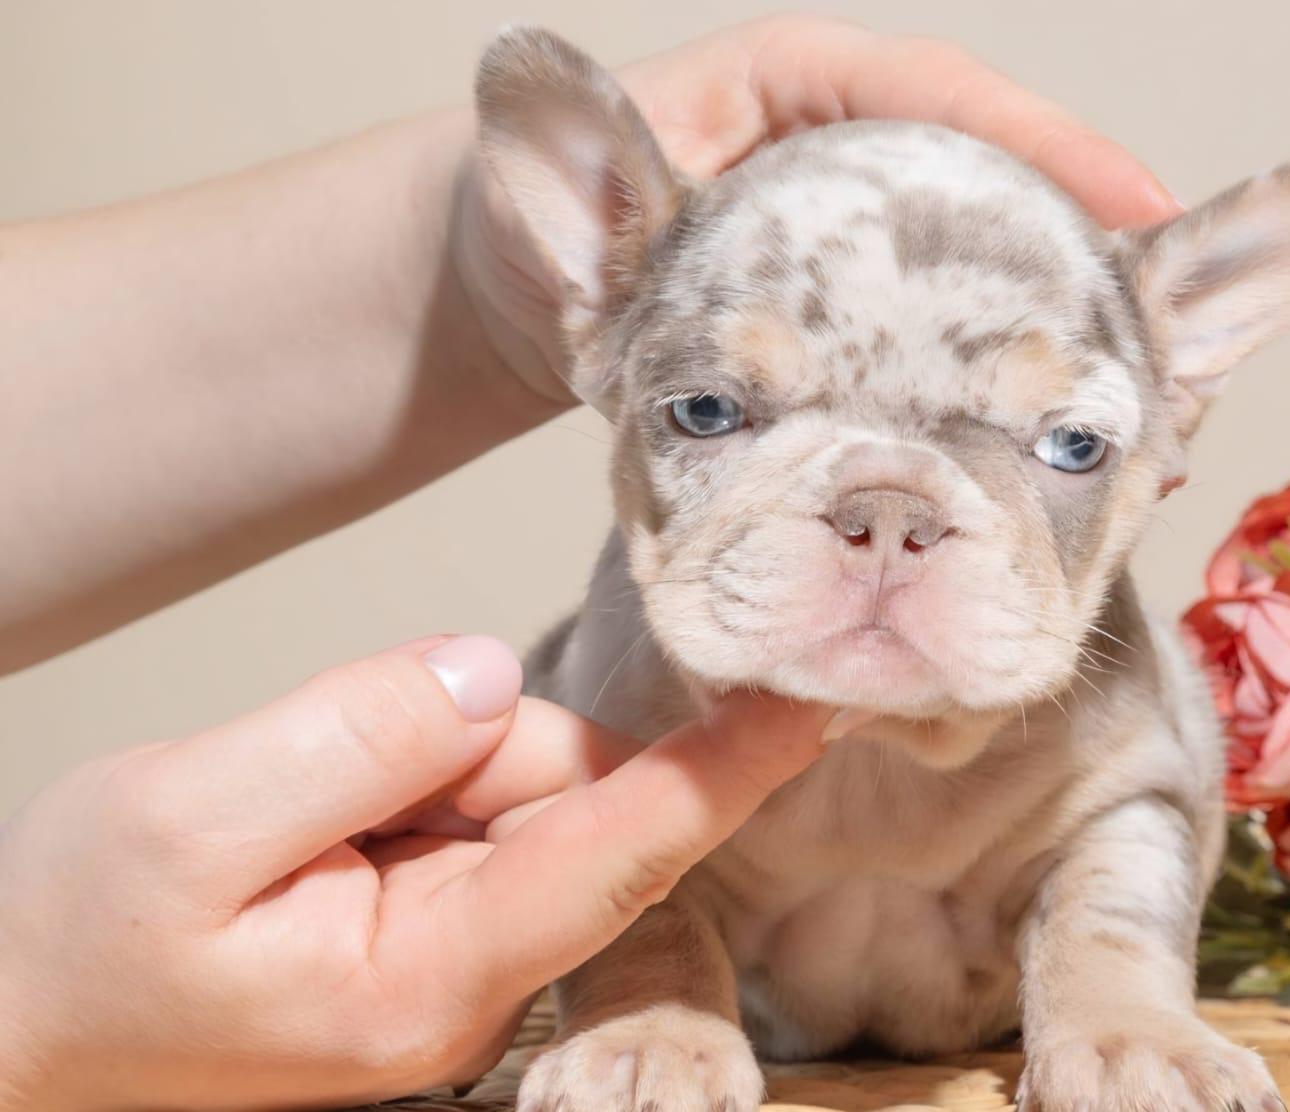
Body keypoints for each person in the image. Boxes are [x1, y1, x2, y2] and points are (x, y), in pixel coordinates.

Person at [0, 15, 1179, 1110]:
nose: (884, 531)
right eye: (714, 409)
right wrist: (640, 988)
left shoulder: (1098, 718)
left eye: (1067, 441)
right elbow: (579, 840)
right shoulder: (609, 692)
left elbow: (1130, 807)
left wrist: (1119, 997)